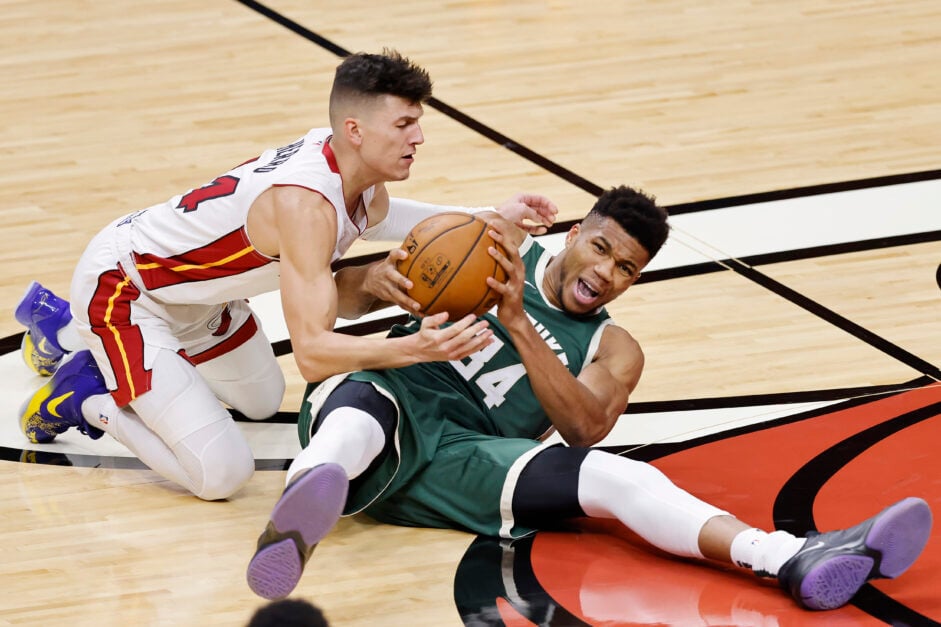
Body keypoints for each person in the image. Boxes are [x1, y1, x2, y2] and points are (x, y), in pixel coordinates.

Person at [245, 186, 932, 611]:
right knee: (361, 421)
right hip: (394, 388)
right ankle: (296, 520)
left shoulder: (614, 348)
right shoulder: (494, 245)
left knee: (617, 475)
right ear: (572, 236)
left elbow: (583, 428)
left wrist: (518, 322)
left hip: (466, 457)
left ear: (634, 281)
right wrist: (378, 279)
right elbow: (337, 297)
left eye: (625, 267)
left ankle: (786, 556)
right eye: (600, 248)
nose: (605, 272)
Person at [14, 49, 557, 501]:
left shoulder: (354, 171)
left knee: (261, 401)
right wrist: (415, 348)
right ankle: (85, 397)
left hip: (199, 301)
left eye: (418, 122)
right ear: (355, 130)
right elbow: (314, 354)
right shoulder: (305, 208)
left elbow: (392, 221)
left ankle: (59, 326)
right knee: (221, 476)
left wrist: (490, 216)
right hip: (126, 292)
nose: (418, 137)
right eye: (403, 124)